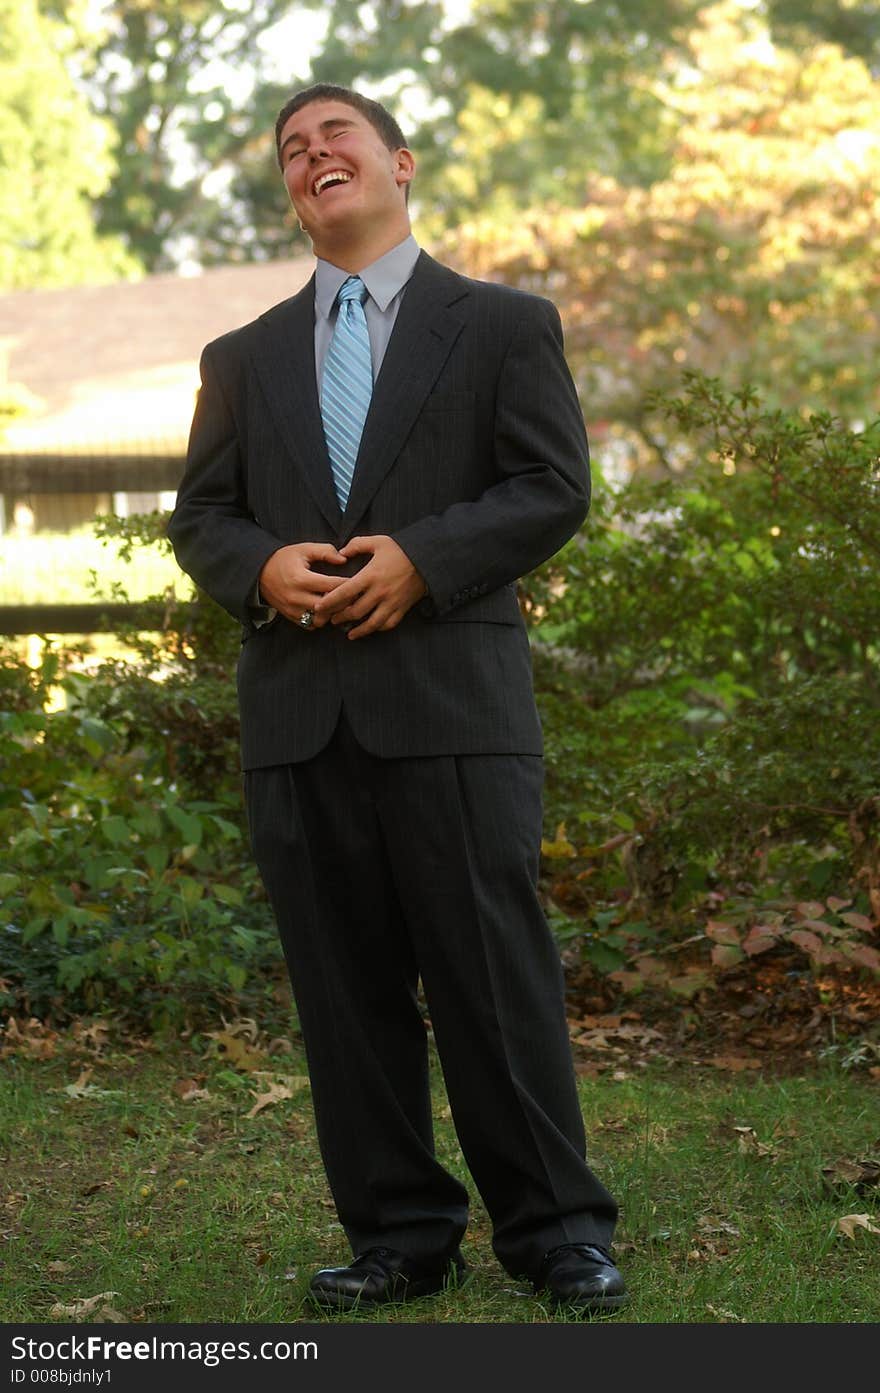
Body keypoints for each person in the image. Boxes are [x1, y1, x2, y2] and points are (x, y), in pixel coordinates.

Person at [167, 83, 627, 1316]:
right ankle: (399, 1235)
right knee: (344, 991)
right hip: (298, 718)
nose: (312, 155)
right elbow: (201, 516)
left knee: (491, 974)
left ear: (400, 164)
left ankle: (558, 1229)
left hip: (455, 708)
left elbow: (551, 484)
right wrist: (256, 567)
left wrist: (423, 557)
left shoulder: (501, 326)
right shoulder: (242, 356)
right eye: (290, 150)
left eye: (337, 138)